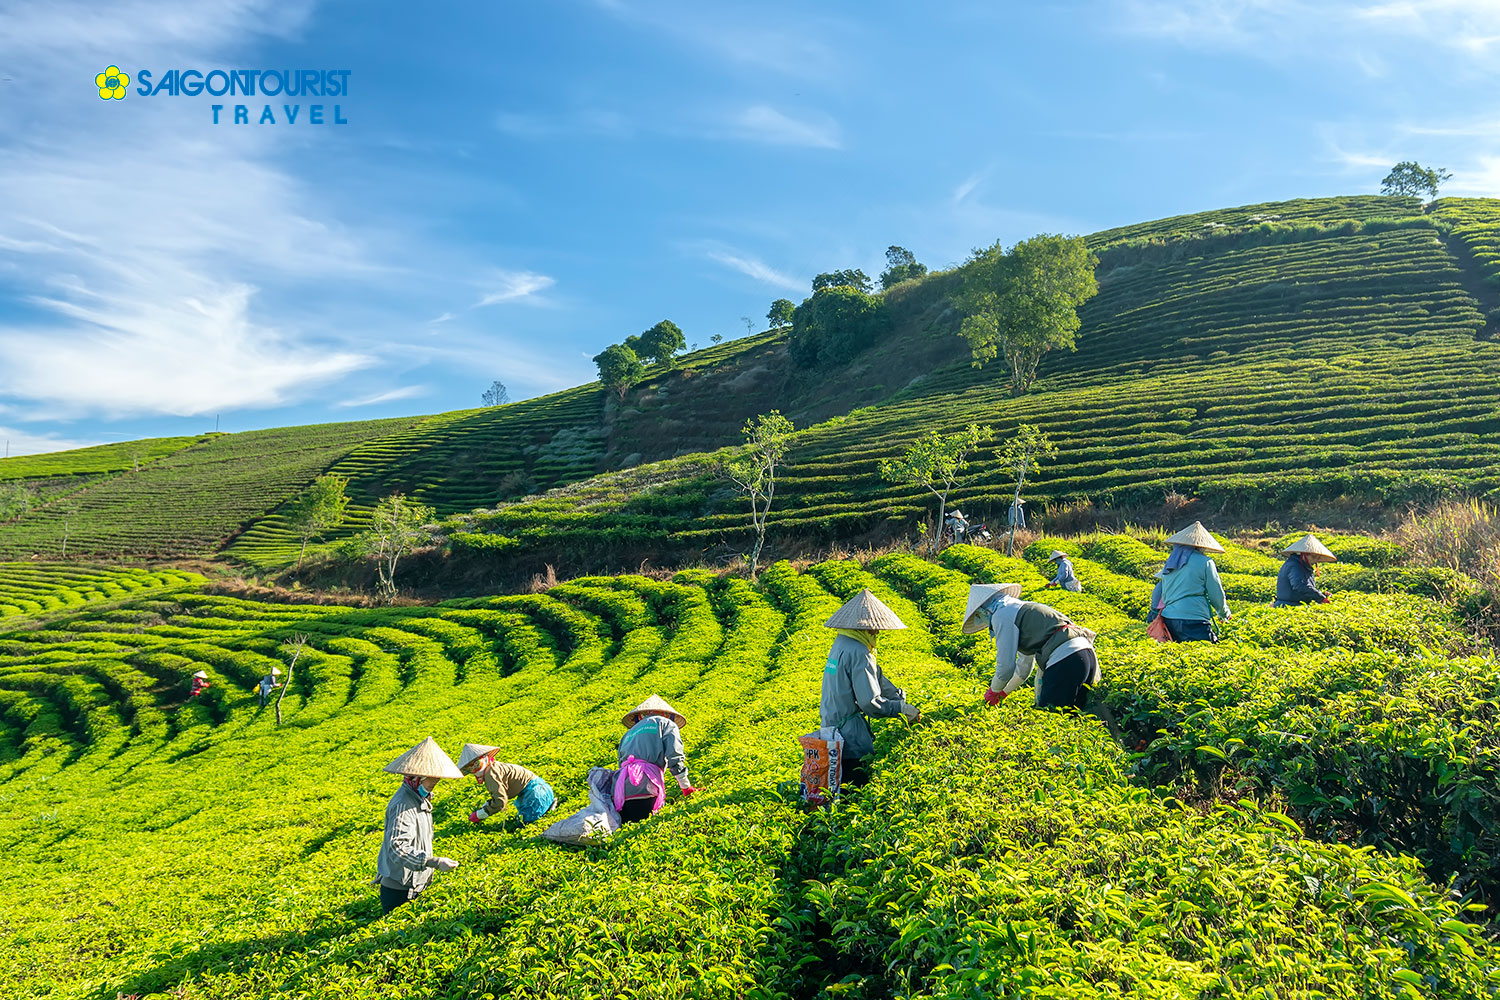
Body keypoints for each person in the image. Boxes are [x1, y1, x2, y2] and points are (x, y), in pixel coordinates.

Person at [819, 589, 921, 787]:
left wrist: (898, 698)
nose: (878, 632)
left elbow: (876, 676)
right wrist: (899, 709)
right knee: (855, 786)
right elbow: (869, 702)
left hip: (831, 726)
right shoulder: (859, 652)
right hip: (849, 735)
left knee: (837, 787)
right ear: (867, 628)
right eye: (876, 629)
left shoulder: (842, 643)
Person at [963, 583, 1100, 710]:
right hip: (1084, 655)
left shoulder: (1001, 615)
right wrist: (1003, 693)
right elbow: (1023, 669)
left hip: (1065, 660)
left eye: (978, 615)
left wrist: (993, 691)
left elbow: (1005, 667)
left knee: (1052, 716)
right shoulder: (1019, 610)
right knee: (1073, 716)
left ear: (983, 610)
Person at [376, 736, 461, 915]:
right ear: (417, 779)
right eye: (431, 783)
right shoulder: (404, 804)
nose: (432, 789)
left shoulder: (419, 799)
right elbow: (397, 847)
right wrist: (434, 862)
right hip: (399, 889)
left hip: (414, 884)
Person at [615, 696, 697, 824]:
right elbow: (674, 756)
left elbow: (621, 763)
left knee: (629, 833)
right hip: (646, 785)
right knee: (647, 829)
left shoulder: (627, 734)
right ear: (665, 713)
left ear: (642, 715)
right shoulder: (666, 724)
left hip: (621, 790)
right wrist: (686, 787)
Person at [1146, 521, 1231, 642]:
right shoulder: (1206, 562)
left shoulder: (1170, 563)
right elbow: (1215, 594)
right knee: (1203, 654)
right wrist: (1224, 613)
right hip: (1195, 620)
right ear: (1200, 546)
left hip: (1170, 620)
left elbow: (1164, 594)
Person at [456, 744, 556, 826]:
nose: (474, 768)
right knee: (524, 819)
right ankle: (549, 806)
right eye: (470, 768)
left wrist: (481, 814)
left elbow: (500, 801)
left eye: (476, 763)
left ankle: (549, 810)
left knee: (525, 823)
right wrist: (485, 807)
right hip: (540, 790)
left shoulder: (490, 774)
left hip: (536, 794)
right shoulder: (493, 767)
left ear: (484, 758)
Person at [1275, 534, 1336, 607]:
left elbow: (1306, 588)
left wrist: (1322, 594)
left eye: (1318, 557)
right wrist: (1320, 598)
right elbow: (1300, 586)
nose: (1316, 560)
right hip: (1288, 606)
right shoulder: (1294, 566)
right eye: (1313, 557)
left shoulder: (1304, 566)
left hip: (1297, 605)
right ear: (1304, 554)